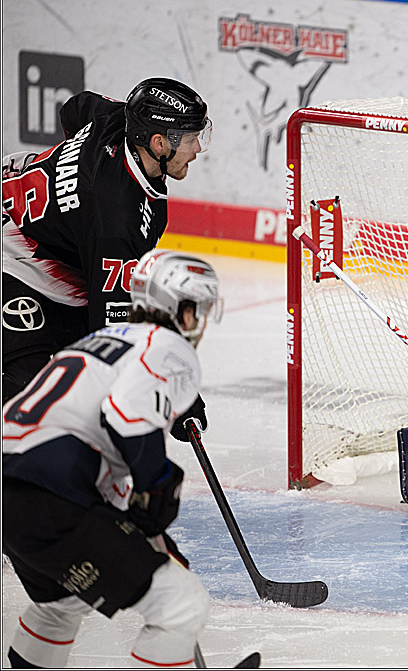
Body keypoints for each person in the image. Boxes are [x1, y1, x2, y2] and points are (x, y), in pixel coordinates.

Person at [2, 249, 223, 668]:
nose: (201, 323)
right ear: (184, 311)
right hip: (48, 496)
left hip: (13, 493)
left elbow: (98, 444)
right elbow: (127, 417)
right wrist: (156, 484)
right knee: (182, 605)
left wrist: (144, 516)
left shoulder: (100, 341)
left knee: (62, 604)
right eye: (200, 310)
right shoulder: (167, 347)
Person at [2, 76, 212, 435]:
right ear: (160, 143)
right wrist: (175, 395)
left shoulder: (121, 120)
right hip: (13, 249)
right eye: (191, 140)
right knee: (32, 396)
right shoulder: (117, 222)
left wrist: (72, 185)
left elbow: (76, 107)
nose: (198, 149)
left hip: (32, 211)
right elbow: (113, 336)